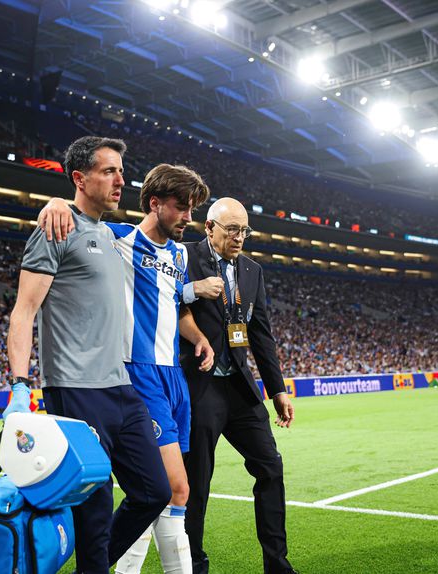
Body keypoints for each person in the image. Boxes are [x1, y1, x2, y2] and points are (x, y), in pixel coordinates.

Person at [37, 163, 224, 574]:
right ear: (154, 203)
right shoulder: (117, 239)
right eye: (181, 207)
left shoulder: (178, 253)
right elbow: (79, 217)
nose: (188, 218)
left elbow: (174, 303)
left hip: (173, 376)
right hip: (136, 374)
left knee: (165, 493)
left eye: (193, 209)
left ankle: (112, 569)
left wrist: (198, 338)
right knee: (175, 487)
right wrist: (55, 202)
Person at [6, 136, 172, 574]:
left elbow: (163, 240)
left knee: (154, 492)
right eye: (109, 171)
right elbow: (24, 312)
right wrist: (20, 386)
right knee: (95, 513)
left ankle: (90, 568)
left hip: (121, 388)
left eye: (121, 170)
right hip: (76, 391)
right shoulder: (56, 228)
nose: (121, 180)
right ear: (80, 178)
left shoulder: (111, 234)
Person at [180, 197, 296, 574]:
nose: (239, 236)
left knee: (270, 467)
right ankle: (194, 565)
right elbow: (155, 300)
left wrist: (277, 389)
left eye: (244, 229)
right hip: (199, 386)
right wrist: (193, 289)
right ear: (209, 227)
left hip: (240, 388)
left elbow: (261, 334)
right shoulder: (182, 257)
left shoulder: (252, 271)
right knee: (196, 483)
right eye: (231, 229)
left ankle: (277, 565)